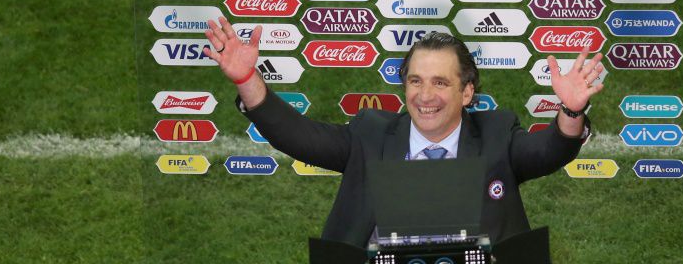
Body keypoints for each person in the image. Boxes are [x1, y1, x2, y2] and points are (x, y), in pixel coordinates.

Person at [203, 17, 605, 248]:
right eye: (415, 81)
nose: (425, 96)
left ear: (467, 92)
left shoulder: (497, 134)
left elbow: (551, 149)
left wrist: (571, 109)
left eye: (440, 83)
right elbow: (297, 135)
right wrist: (247, 79)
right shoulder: (370, 134)